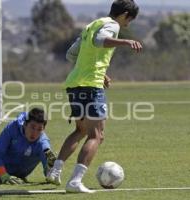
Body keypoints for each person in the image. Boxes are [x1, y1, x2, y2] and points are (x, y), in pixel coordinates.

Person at [46, 0, 142, 193]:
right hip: (91, 86)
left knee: (80, 130)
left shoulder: (92, 24)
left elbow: (71, 55)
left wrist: (100, 71)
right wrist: (125, 41)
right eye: (129, 19)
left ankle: (54, 171)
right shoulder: (112, 25)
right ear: (124, 14)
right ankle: (75, 181)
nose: (128, 24)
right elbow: (100, 41)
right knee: (97, 135)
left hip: (75, 84)